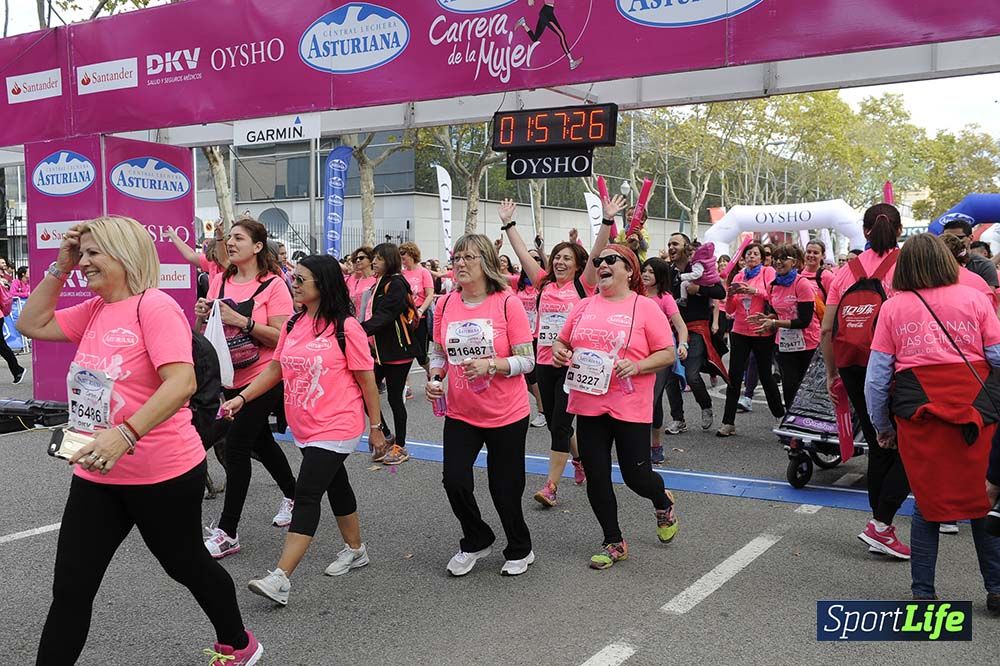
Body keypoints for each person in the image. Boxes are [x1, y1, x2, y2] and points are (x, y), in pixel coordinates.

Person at [18, 216, 262, 665]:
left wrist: (125, 434)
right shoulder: (92, 310)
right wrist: (60, 265)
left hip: (162, 473)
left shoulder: (154, 306)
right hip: (97, 475)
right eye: (83, 253)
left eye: (94, 253)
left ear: (124, 255)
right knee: (71, 588)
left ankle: (238, 643)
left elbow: (181, 382)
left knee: (186, 565)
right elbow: (32, 322)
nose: (85, 263)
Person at [227, 256, 386, 606]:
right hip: (304, 424)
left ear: (323, 285)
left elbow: (367, 381)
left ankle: (280, 578)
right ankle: (357, 550)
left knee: (308, 491)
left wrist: (376, 428)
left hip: (338, 423)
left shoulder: (347, 327)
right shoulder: (295, 323)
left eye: (301, 280)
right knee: (336, 483)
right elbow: (275, 368)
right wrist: (242, 397)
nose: (294, 284)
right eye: (294, 278)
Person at [865, 233, 1000, 612]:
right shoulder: (976, 298)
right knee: (982, 499)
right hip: (977, 408)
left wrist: (882, 427)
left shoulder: (893, 308)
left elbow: (877, 378)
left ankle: (924, 593)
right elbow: (997, 355)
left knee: (927, 503)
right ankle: (996, 586)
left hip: (919, 412)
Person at [553, 245, 678, 569]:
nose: (602, 265)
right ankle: (614, 541)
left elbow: (667, 353)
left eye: (611, 260)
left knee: (637, 476)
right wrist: (559, 352)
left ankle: (662, 502)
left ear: (629, 270)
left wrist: (636, 366)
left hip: (629, 404)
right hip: (589, 403)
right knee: (596, 475)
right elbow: (562, 342)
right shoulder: (583, 307)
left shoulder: (645, 307)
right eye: (598, 261)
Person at [500, 195, 623, 507]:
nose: (560, 262)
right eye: (556, 257)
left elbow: (597, 251)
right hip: (543, 362)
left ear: (579, 265)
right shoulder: (543, 284)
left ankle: (551, 486)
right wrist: (508, 224)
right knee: (557, 421)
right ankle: (578, 459)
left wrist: (607, 221)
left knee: (560, 426)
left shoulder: (583, 285)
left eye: (567, 258)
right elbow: (522, 254)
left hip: (573, 366)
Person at [426, 233, 537, 576]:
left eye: (468, 258)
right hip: (462, 412)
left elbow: (527, 362)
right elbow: (437, 351)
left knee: (504, 489)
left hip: (506, 413)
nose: (459, 264)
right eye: (456, 257)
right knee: (454, 481)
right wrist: (435, 376)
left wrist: (493, 365)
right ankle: (476, 538)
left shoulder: (507, 303)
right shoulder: (444, 304)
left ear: (486, 262)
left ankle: (520, 547)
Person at [196, 218, 297, 560]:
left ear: (257, 247)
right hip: (228, 376)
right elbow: (207, 330)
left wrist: (242, 321)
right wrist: (202, 315)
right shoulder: (219, 280)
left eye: (239, 238)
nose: (231, 243)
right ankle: (295, 494)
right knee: (261, 442)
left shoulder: (274, 285)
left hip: (264, 374)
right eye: (229, 238)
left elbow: (283, 337)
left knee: (236, 446)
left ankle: (228, 532)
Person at [821, 204, 911, 559]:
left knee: (878, 441)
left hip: (852, 363)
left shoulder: (846, 271)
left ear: (865, 230)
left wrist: (832, 373)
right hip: (894, 364)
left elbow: (828, 328)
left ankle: (881, 525)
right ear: (900, 229)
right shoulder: (908, 265)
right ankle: (881, 526)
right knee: (907, 444)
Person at [718, 242, 784, 437]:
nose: (751, 257)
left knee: (765, 375)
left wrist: (754, 291)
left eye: (755, 254)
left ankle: (780, 416)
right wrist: (731, 295)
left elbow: (774, 297)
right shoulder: (738, 277)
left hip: (762, 330)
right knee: (735, 376)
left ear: (762, 258)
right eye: (748, 254)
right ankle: (728, 422)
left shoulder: (768, 273)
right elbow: (729, 310)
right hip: (739, 330)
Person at [665, 233, 728, 433]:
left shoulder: (699, 268)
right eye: (669, 244)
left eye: (675, 243)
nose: (671, 247)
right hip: (672, 329)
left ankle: (705, 405)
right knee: (671, 377)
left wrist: (699, 289)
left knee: (692, 375)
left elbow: (721, 292)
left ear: (686, 247)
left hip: (697, 329)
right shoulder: (668, 272)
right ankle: (678, 419)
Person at [363, 242, 418, 465]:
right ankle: (385, 434)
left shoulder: (396, 283)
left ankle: (400, 446)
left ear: (390, 260)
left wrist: (357, 330)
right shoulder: (379, 282)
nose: (373, 261)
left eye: (379, 258)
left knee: (395, 399)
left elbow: (386, 314)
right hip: (380, 351)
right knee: (365, 393)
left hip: (399, 350)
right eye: (373, 258)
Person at [748, 244, 819, 410]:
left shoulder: (802, 284)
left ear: (793, 262)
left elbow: (804, 321)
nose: (778, 262)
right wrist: (767, 318)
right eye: (775, 259)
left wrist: (775, 323)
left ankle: (809, 424)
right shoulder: (773, 285)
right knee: (789, 386)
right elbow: (777, 313)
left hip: (808, 342)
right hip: (785, 344)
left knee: (807, 387)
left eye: (783, 259)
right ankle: (792, 426)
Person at [641, 257, 689, 464]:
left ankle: (655, 445)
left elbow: (681, 326)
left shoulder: (665, 298)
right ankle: (636, 443)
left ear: (660, 276)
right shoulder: (634, 294)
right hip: (636, 354)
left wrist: (682, 344)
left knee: (653, 399)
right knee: (636, 400)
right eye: (644, 270)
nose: (645, 274)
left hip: (660, 354)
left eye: (651, 271)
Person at [513, 247, 548, 427]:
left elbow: (549, 270)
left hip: (538, 336)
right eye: (529, 258)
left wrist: (542, 252)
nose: (533, 261)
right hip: (520, 335)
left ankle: (542, 411)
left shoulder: (543, 283)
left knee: (533, 376)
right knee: (526, 380)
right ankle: (546, 403)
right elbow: (494, 273)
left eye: (537, 259)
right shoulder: (516, 283)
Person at [400, 241, 436, 381]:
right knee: (404, 354)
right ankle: (405, 384)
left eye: (404, 257)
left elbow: (430, 295)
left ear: (412, 255)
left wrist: (420, 310)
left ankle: (429, 371)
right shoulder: (401, 273)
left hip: (419, 318)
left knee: (421, 355)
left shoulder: (423, 272)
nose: (403, 261)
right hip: (404, 318)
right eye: (401, 258)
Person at [941, 215, 1000, 288]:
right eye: (948, 237)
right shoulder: (936, 264)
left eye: (959, 237)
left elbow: (988, 296)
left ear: (971, 238)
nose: (954, 241)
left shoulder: (984, 265)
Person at [676, 241, 719, 306]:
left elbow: (697, 274)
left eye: (690, 254)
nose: (689, 258)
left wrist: (682, 276)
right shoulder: (708, 261)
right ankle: (711, 303)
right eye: (688, 256)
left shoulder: (697, 263)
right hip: (710, 282)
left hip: (702, 283)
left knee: (683, 284)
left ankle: (683, 299)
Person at [345, 246, 377, 319]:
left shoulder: (376, 279)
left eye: (361, 258)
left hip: (371, 321)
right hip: (356, 320)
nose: (358, 260)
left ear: (370, 259)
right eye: (356, 259)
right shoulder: (357, 281)